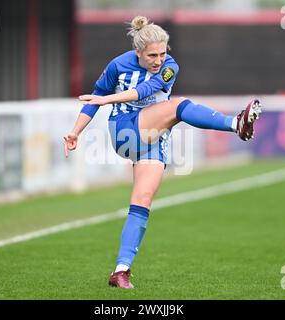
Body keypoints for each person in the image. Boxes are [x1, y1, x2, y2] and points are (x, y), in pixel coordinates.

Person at [64, 16, 262, 289]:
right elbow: (94, 99)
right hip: (126, 131)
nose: (158, 60)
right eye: (152, 55)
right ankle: (234, 124)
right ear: (138, 52)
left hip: (154, 137)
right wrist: (76, 131)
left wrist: (107, 98)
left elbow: (147, 89)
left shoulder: (170, 66)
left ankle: (121, 271)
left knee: (142, 202)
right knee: (178, 106)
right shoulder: (117, 65)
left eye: (162, 53)